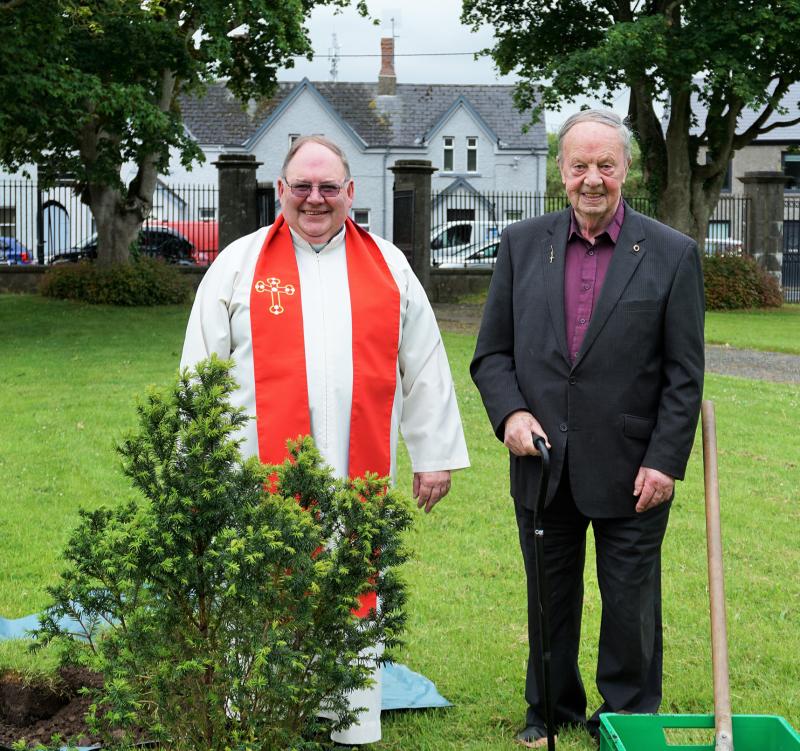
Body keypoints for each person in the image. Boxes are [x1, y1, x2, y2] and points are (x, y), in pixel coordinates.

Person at [181, 135, 470, 745]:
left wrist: (434, 454)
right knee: (261, 577)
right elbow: (199, 366)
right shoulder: (238, 264)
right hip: (254, 469)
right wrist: (195, 459)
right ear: (280, 191)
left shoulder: (389, 267)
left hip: (354, 469)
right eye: (302, 187)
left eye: (328, 187)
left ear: (350, 193)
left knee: (348, 578)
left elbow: (423, 365)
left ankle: (348, 717)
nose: (315, 199)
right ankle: (255, 705)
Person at [470, 110, 704, 747]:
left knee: (630, 604)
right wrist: (512, 414)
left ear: (627, 168)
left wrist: (665, 461)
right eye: (580, 166)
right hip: (542, 461)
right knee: (548, 598)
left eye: (606, 164)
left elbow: (686, 375)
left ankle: (627, 714)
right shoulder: (521, 245)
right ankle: (549, 712)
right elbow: (492, 354)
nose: (592, 179)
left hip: (634, 468)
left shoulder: (672, 254)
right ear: (560, 171)